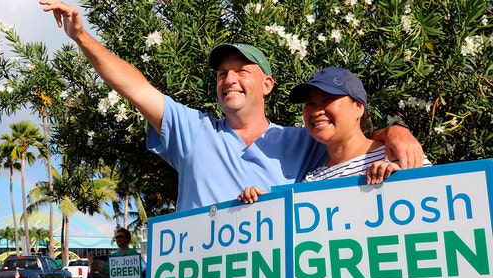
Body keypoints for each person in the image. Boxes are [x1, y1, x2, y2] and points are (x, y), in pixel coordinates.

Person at [40, 1, 426, 211]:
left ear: (267, 84)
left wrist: (395, 130)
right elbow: (135, 87)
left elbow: (349, 139)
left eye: (242, 70)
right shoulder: (192, 130)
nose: (229, 79)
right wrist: (82, 36)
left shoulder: (302, 140)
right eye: (222, 72)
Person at [238, 67, 432, 203]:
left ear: (358, 107)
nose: (316, 111)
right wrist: (263, 207)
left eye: (328, 100)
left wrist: (396, 183)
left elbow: (435, 208)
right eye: (310, 104)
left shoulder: (400, 154)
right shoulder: (311, 180)